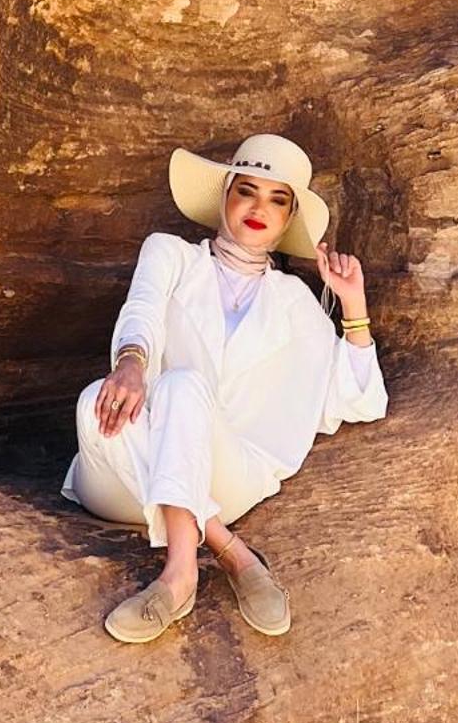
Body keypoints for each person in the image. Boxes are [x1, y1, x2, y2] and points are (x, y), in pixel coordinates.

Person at [60, 132, 388, 644]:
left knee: (182, 388)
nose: (260, 208)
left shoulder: (296, 302)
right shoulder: (170, 254)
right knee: (92, 402)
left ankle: (178, 577)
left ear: (287, 222)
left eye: (278, 200)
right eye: (248, 191)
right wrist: (129, 364)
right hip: (119, 479)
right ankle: (231, 551)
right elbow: (142, 309)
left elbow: (360, 402)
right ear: (225, 197)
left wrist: (353, 305)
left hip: (229, 475)